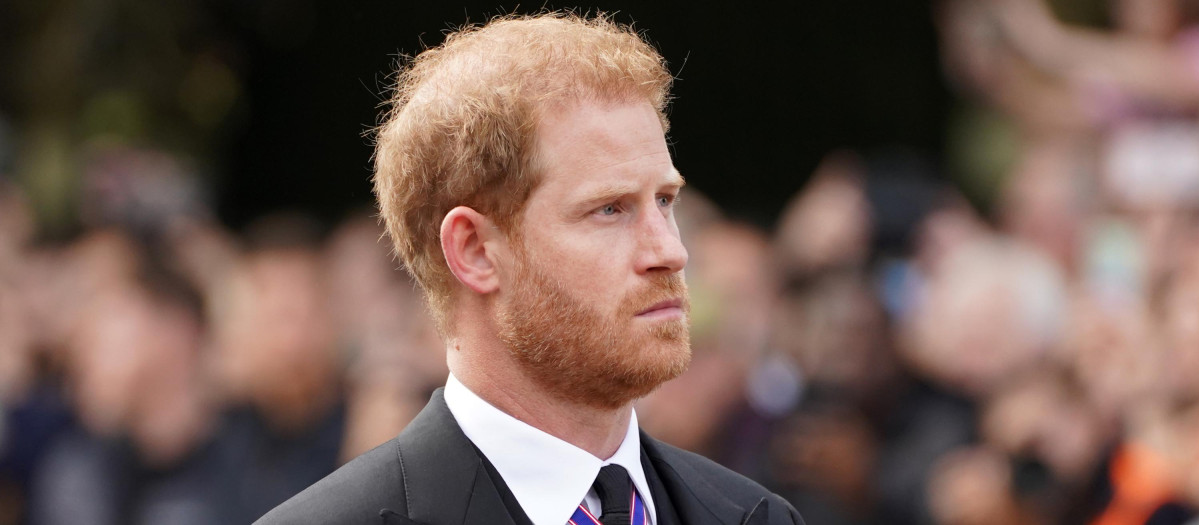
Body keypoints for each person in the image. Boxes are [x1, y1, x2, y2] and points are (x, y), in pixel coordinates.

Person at [257, 11, 804, 525]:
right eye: (609, 209)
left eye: (664, 201)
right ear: (473, 250)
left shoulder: (756, 516)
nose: (670, 251)